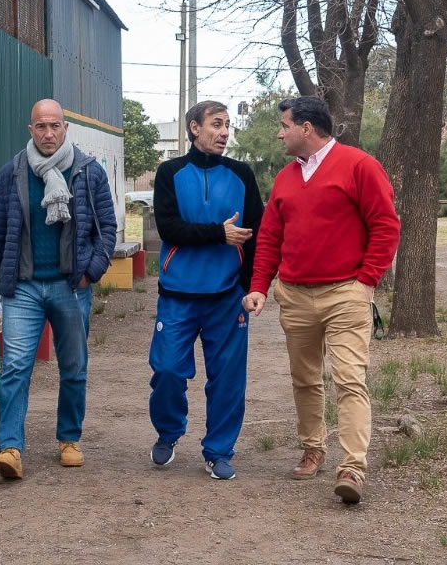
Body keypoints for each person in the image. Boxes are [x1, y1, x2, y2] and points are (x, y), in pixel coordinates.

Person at [243, 96, 399, 504]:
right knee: (305, 378)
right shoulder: (285, 178)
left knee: (350, 378)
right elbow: (270, 238)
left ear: (306, 128)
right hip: (294, 295)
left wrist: (366, 282)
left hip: (345, 292)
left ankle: (352, 468)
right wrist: (260, 285)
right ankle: (313, 449)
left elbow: (385, 225)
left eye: (284, 125)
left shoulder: (359, 166)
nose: (279, 132)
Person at [0, 99, 117, 479]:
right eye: (41, 126)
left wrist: (91, 272)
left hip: (71, 286)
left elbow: (107, 229)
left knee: (73, 366)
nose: (48, 133)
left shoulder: (88, 172)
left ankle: (69, 438)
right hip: (23, 288)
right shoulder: (13, 173)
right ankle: (10, 448)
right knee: (16, 366)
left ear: (66, 128)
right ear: (30, 129)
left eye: (54, 126)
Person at [148, 100, 264, 480]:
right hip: (178, 295)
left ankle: (219, 451)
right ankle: (169, 432)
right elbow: (169, 229)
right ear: (195, 128)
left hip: (227, 297)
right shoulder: (170, 172)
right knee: (166, 370)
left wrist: (251, 287)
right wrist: (220, 234)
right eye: (216, 124)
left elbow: (259, 235)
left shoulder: (241, 175)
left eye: (228, 125)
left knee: (228, 379)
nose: (225, 132)